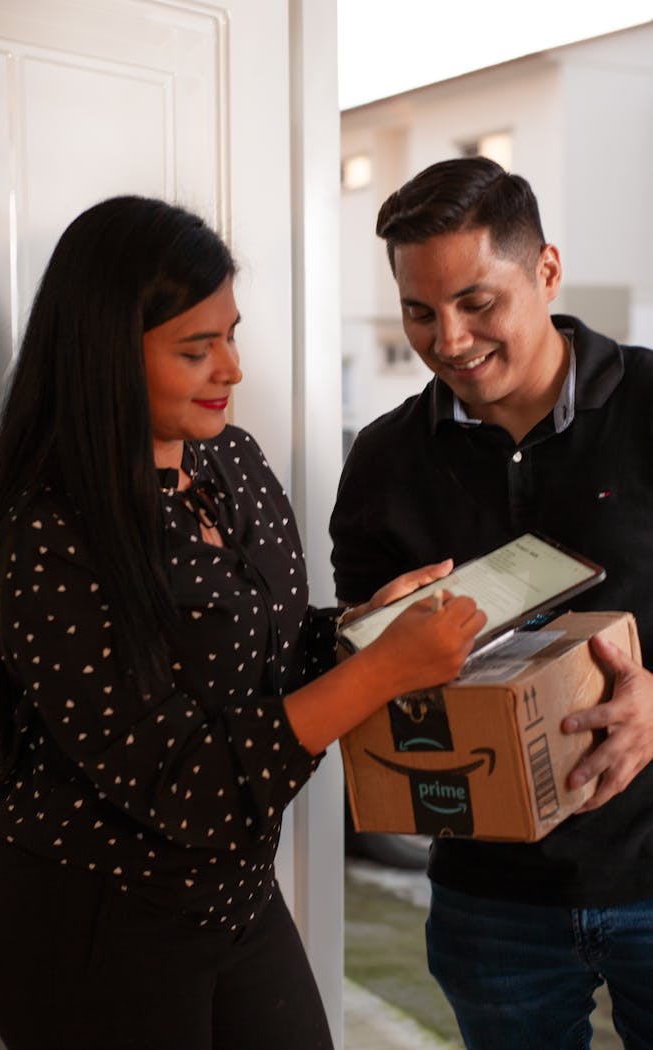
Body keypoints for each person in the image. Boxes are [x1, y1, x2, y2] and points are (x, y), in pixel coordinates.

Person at [0, 194, 485, 1050]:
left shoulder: (225, 460)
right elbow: (188, 784)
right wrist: (380, 671)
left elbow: (261, 650)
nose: (232, 369)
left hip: (230, 897)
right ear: (103, 359)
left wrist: (360, 626)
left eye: (230, 334)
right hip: (99, 924)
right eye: (196, 350)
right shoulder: (52, 536)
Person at [329, 156, 653, 1049]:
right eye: (419, 311)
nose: (451, 339)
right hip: (490, 901)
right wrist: (372, 638)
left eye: (478, 303)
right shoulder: (386, 461)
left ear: (547, 270)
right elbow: (363, 669)